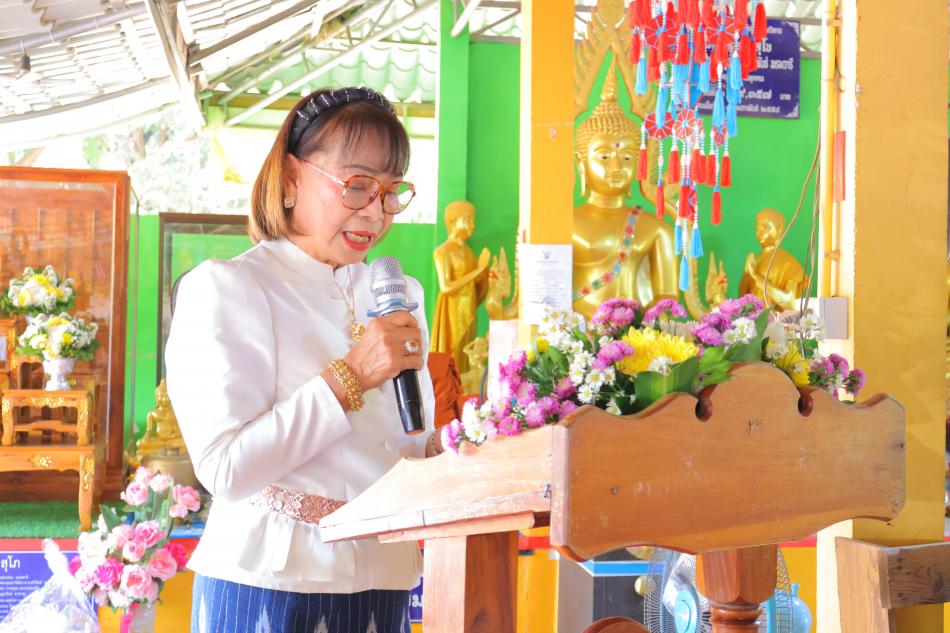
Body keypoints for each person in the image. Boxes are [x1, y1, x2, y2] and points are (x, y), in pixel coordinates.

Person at [165, 86, 443, 633]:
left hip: (384, 581)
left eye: (390, 192)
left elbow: (405, 446)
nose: (375, 210)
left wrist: (457, 446)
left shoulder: (398, 292)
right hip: (268, 582)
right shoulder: (230, 288)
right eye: (357, 185)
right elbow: (225, 468)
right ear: (291, 178)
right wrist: (353, 376)